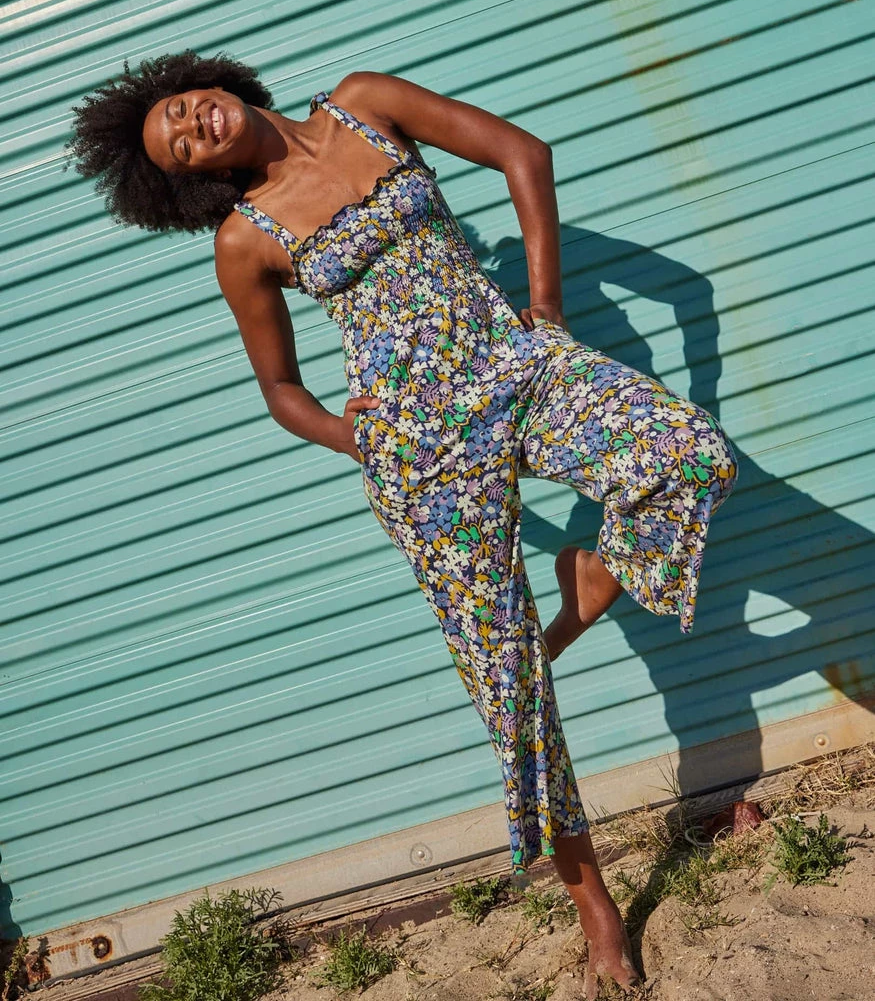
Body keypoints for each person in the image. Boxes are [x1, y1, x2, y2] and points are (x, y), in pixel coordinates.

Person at [69, 51, 737, 997]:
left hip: (513, 367)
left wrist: (544, 310)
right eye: (179, 148)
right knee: (507, 689)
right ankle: (593, 907)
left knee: (689, 454)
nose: (191, 126)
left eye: (182, 108)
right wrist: (366, 441)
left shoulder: (363, 104)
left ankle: (591, 577)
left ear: (208, 83)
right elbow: (281, 390)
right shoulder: (245, 241)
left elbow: (522, 153)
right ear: (192, 180)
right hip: (417, 448)